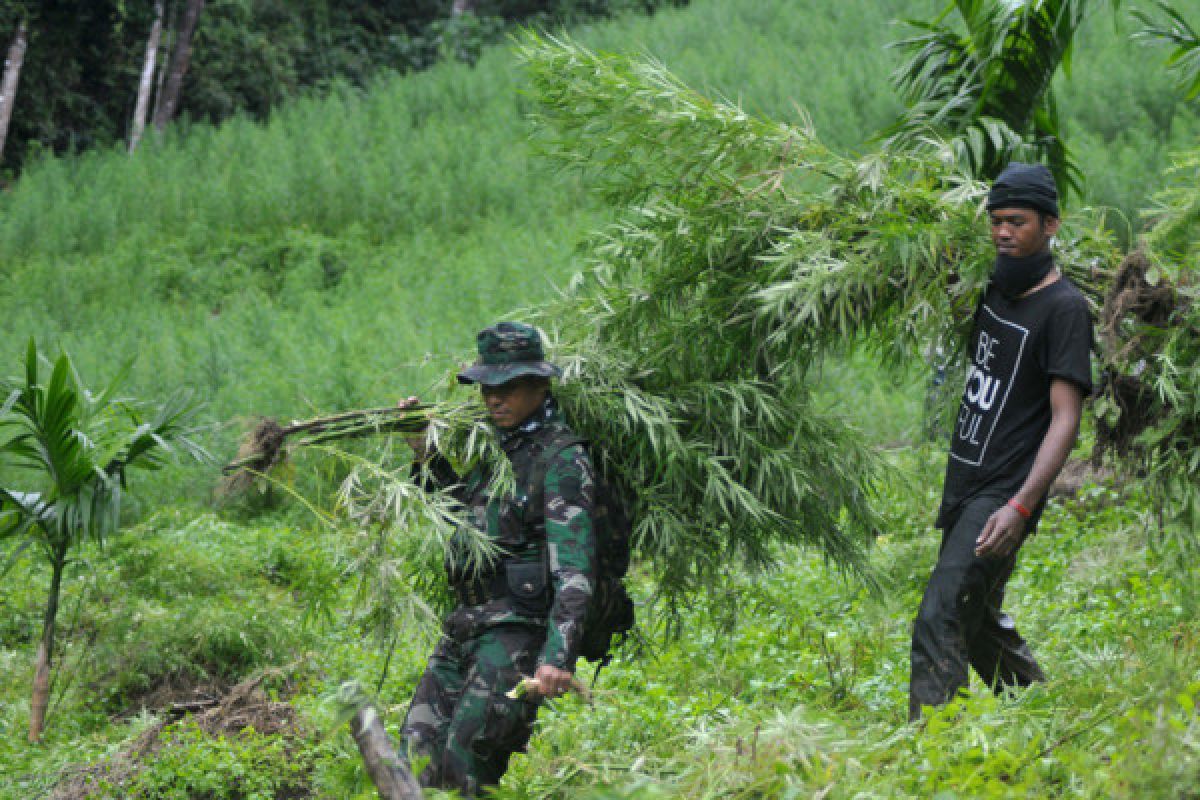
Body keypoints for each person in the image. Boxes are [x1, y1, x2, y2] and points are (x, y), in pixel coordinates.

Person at [908, 162, 1093, 721]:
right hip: (966, 479)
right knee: (975, 612)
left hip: (1004, 493)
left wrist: (1021, 505)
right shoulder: (992, 285)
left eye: (1016, 222)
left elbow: (1065, 418)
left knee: (939, 613)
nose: (1002, 232)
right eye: (995, 222)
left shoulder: (1064, 310)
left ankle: (932, 752)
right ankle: (1035, 710)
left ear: (1050, 225)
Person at [398, 321, 597, 796]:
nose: (493, 399)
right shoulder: (494, 450)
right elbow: (463, 518)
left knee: (464, 761)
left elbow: (575, 571)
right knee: (414, 754)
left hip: (515, 634)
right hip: (465, 625)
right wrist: (424, 451)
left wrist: (557, 656)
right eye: (488, 388)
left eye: (507, 388)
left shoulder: (562, 458)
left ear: (539, 386)